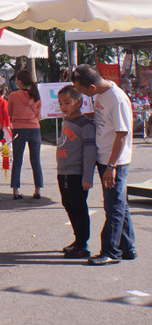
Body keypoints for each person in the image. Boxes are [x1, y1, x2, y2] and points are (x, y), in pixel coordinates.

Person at [71, 64, 136, 265]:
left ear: (91, 86)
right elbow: (102, 120)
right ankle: (128, 248)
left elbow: (121, 133)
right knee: (119, 205)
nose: (80, 93)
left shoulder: (116, 99)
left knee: (113, 207)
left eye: (81, 90)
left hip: (114, 161)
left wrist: (111, 167)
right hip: (104, 157)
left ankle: (110, 251)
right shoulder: (99, 94)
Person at [56, 85, 97, 259]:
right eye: (60, 103)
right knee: (68, 205)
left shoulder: (85, 125)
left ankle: (83, 245)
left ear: (78, 102)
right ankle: (77, 239)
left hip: (76, 173)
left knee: (78, 207)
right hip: (63, 171)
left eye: (67, 102)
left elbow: (89, 152)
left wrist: (87, 176)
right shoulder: (67, 120)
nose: (63, 106)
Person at [8, 70, 43, 200]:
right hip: (34, 129)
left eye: (17, 80)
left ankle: (16, 191)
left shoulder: (13, 95)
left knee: (17, 160)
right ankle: (37, 190)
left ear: (20, 82)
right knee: (35, 161)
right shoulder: (36, 95)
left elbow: (9, 112)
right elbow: (39, 115)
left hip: (18, 129)